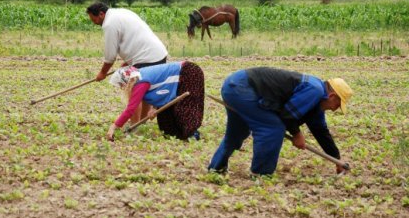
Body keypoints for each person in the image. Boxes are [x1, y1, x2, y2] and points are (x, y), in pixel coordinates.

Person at [208, 66, 353, 176]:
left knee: (238, 131)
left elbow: (321, 131)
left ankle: (216, 168)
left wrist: (336, 158)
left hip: (234, 85)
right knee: (273, 128)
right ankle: (261, 174)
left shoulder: (317, 99)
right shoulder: (314, 90)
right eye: (338, 105)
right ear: (332, 96)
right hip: (242, 87)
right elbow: (287, 115)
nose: (335, 109)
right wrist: (296, 134)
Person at [86, 2, 168, 123]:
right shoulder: (121, 12)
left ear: (101, 14)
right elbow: (134, 36)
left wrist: (102, 73)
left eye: (95, 20)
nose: (95, 23)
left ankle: (134, 125)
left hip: (145, 58)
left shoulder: (109, 24)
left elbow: (110, 56)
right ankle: (142, 121)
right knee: (145, 89)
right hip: (159, 54)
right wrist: (128, 60)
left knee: (134, 92)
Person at [106, 61, 204, 142]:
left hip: (189, 72)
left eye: (121, 84)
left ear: (125, 79)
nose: (122, 87)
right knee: (165, 117)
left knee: (184, 107)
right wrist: (153, 108)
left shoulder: (140, 81)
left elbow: (131, 109)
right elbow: (160, 88)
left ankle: (192, 133)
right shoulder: (139, 77)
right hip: (179, 79)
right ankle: (177, 135)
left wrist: (114, 126)